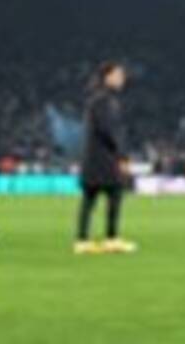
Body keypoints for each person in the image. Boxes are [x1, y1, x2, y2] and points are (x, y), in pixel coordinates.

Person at [75, 61, 136, 254]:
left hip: (94, 157)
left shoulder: (98, 99)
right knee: (113, 194)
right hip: (104, 158)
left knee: (91, 197)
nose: (122, 78)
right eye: (118, 74)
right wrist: (122, 155)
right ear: (107, 77)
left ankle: (83, 240)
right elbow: (109, 130)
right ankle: (109, 238)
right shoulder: (104, 100)